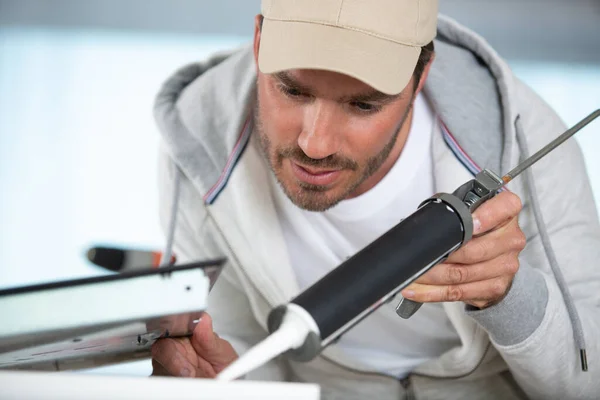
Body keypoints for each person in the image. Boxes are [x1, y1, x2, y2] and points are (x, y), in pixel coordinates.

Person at [150, 1, 600, 399]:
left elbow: (589, 381)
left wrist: (509, 295)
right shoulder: (198, 146)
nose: (315, 143)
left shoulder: (528, 138)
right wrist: (234, 388)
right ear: (258, 40)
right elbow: (247, 351)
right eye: (292, 90)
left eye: (363, 105)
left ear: (421, 75)